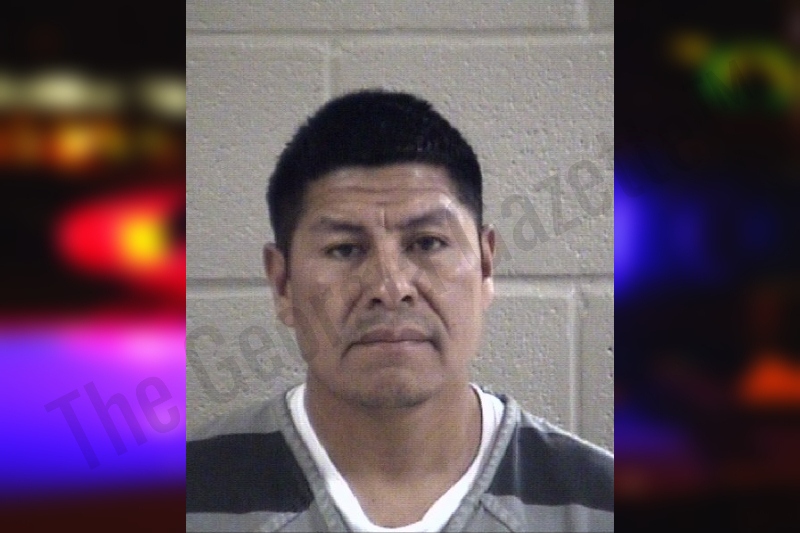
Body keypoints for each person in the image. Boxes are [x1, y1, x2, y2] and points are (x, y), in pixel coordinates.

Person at [186, 90, 614, 532]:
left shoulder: (600, 505)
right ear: (282, 284)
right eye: (344, 249)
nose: (390, 289)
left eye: (427, 243)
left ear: (486, 265)